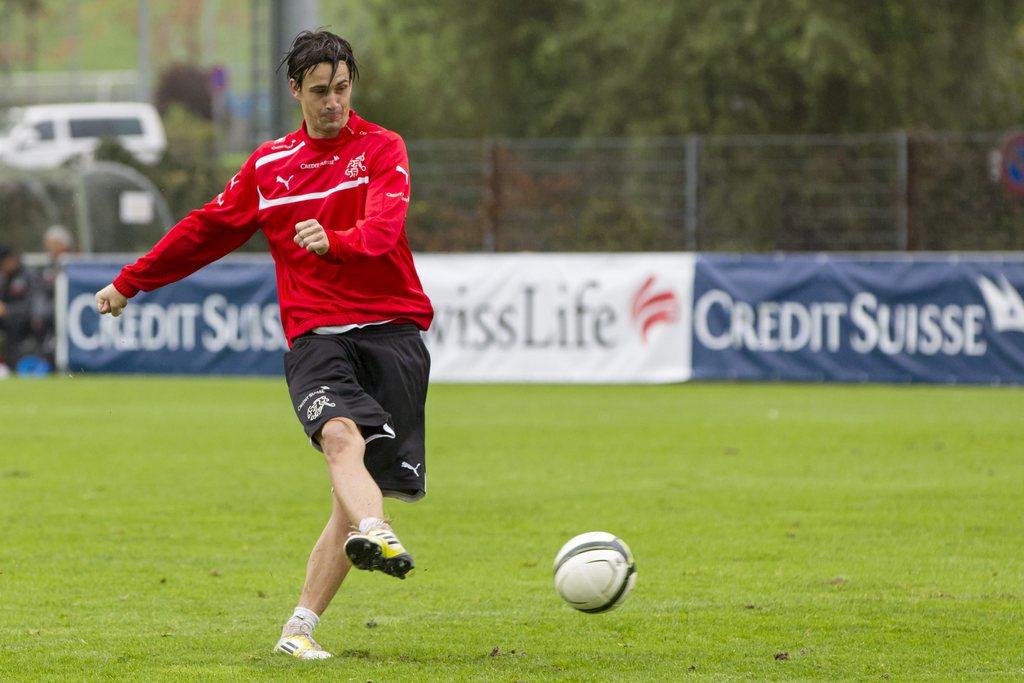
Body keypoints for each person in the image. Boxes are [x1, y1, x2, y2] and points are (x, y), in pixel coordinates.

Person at [94, 30, 434, 660]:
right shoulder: (270, 167)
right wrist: (128, 283)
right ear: (294, 92)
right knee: (339, 439)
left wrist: (336, 241)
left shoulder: (383, 149)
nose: (332, 103)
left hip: (393, 336)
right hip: (316, 338)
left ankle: (297, 629)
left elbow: (385, 229)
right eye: (318, 92)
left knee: (350, 490)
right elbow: (204, 231)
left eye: (341, 89)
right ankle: (376, 528)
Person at [33, 225, 75, 364]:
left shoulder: (74, 263)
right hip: (50, 313)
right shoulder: (48, 267)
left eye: (53, 245)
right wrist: (38, 312)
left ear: (63, 245)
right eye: (48, 245)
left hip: (69, 311)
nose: (49, 249)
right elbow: (41, 291)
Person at [0, 245, 37, 372]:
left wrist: (8, 310)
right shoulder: (4, 278)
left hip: (27, 324)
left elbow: (33, 305)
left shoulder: (28, 275)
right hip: (7, 322)